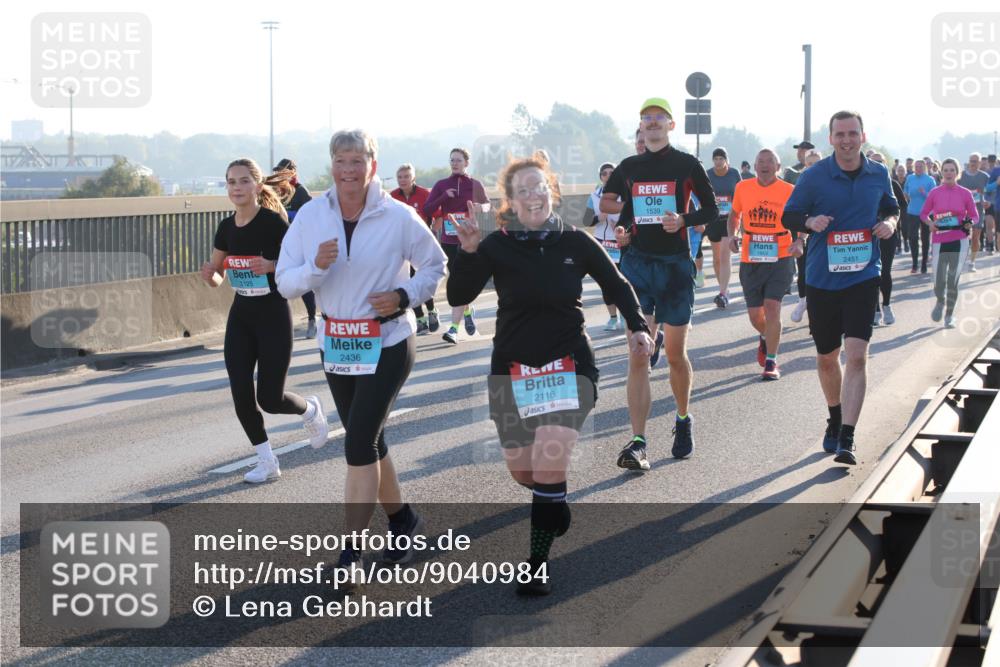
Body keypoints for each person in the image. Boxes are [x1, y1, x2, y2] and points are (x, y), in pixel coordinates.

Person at [448, 156, 652, 595]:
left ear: (552, 191)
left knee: (548, 460)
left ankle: (536, 565)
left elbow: (617, 284)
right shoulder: (495, 245)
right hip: (512, 369)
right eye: (522, 190)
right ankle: (553, 502)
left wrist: (637, 326)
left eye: (539, 187)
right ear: (510, 200)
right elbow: (458, 294)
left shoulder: (576, 241)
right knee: (525, 472)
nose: (532, 196)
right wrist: (467, 253)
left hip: (568, 365)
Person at [276, 130, 447, 574]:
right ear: (331, 165)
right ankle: (403, 520)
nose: (348, 170)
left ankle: (351, 552)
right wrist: (315, 268)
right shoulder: (311, 215)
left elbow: (435, 265)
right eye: (341, 161)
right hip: (336, 343)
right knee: (369, 439)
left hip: (388, 340)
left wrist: (404, 295)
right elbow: (284, 281)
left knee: (358, 443)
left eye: (357, 161)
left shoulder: (399, 216)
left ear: (373, 165)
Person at [600, 97, 718, 469]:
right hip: (637, 265)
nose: (652, 123)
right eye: (646, 118)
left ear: (670, 125)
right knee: (639, 353)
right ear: (641, 126)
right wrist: (625, 226)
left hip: (675, 268)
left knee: (674, 356)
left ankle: (682, 418)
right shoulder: (629, 166)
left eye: (658, 118)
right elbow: (609, 203)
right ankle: (638, 442)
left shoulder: (686, 164)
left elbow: (712, 209)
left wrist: (683, 220)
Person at [201, 158, 329, 484]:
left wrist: (271, 265)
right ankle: (267, 461)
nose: (237, 187)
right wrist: (211, 275)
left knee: (270, 399)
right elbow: (218, 276)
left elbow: (301, 263)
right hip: (241, 316)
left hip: (273, 314)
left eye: (244, 181)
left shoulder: (274, 223)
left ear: (257, 186)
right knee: (241, 394)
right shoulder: (226, 228)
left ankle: (310, 410)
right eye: (231, 182)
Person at [781, 110, 899, 466]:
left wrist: (890, 224)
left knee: (857, 355)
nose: (847, 140)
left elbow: (892, 208)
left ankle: (847, 436)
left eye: (852, 133)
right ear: (831, 138)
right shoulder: (814, 176)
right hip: (822, 279)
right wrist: (809, 221)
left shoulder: (878, 173)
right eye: (840, 134)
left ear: (863, 136)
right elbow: (789, 215)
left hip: (863, 276)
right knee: (827, 357)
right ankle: (834, 417)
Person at [725, 148, 797, 380]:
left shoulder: (789, 190)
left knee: (772, 306)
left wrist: (800, 240)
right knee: (755, 316)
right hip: (751, 257)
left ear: (778, 167)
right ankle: (766, 336)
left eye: (770, 161)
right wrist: (732, 235)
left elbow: (800, 218)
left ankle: (771, 362)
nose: (765, 165)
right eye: (761, 161)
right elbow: (734, 215)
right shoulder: (742, 187)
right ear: (755, 166)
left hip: (781, 255)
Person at [423, 148, 491, 344]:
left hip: (468, 241)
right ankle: (467, 311)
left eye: (458, 160)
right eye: (452, 160)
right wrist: (444, 197)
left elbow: (488, 205)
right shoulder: (441, 184)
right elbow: (428, 209)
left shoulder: (475, 184)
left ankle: (453, 329)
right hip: (449, 240)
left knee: (462, 281)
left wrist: (480, 207)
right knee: (457, 280)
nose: (454, 163)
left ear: (466, 163)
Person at [920, 158, 979, 328]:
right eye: (945, 170)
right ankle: (940, 300)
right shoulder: (934, 193)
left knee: (953, 280)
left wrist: (970, 222)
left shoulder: (965, 193)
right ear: (941, 173)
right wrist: (930, 223)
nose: (948, 173)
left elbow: (974, 216)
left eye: (952, 170)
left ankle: (949, 316)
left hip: (959, 240)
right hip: (939, 240)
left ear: (957, 173)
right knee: (939, 282)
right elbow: (924, 214)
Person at [390, 163, 441, 334]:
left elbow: (438, 216)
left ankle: (432, 310)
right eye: (400, 177)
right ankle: (420, 319)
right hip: (402, 246)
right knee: (409, 281)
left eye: (406, 176)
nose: (403, 180)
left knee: (423, 279)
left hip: (422, 244)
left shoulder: (425, 194)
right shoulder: (392, 197)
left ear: (413, 178)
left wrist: (433, 234)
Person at [272, 158, 318, 338]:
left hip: (299, 244)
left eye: (282, 171)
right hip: (280, 243)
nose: (279, 175)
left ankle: (312, 319)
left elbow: (309, 218)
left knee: (303, 283)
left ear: (292, 172)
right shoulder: (276, 192)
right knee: (278, 281)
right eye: (278, 171)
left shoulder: (301, 192)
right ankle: (279, 323)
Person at [584, 162, 625, 330]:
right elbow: (586, 220)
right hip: (601, 242)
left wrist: (621, 226)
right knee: (606, 281)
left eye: (611, 173)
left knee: (623, 280)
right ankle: (613, 318)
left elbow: (633, 216)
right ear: (600, 177)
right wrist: (597, 218)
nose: (608, 176)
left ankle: (625, 316)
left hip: (620, 241)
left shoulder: (625, 194)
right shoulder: (594, 196)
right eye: (604, 173)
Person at [705, 147, 741, 309]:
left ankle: (723, 292)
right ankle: (724, 289)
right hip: (713, 219)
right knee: (717, 258)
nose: (718, 162)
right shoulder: (708, 174)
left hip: (730, 219)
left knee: (725, 255)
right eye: (716, 159)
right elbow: (702, 195)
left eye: (721, 159)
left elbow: (741, 194)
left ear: (726, 160)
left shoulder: (734, 173)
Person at [790, 150, 823, 324]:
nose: (813, 167)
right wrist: (800, 239)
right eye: (810, 164)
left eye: (817, 163)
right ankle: (803, 300)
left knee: (820, 274)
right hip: (804, 235)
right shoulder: (801, 184)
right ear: (805, 165)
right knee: (803, 271)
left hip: (825, 237)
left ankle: (817, 313)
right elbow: (797, 214)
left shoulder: (830, 183)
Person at [869, 152, 902, 325]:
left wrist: (891, 223)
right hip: (868, 234)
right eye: (873, 162)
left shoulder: (892, 183)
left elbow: (900, 207)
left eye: (880, 162)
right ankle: (875, 310)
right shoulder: (864, 183)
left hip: (888, 233)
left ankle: (887, 305)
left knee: (885, 271)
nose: (877, 165)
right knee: (871, 273)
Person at [957, 152, 990, 272]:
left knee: (976, 236)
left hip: (978, 210)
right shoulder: (961, 176)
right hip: (963, 211)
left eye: (975, 161)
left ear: (980, 163)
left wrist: (988, 201)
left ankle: (972, 262)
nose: (973, 163)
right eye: (971, 161)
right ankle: (960, 259)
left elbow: (989, 192)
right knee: (963, 236)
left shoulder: (985, 177)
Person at [903, 159, 936, 274]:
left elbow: (934, 197)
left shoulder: (930, 180)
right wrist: (905, 194)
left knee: (925, 238)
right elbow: (905, 189)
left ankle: (924, 264)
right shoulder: (910, 178)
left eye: (920, 167)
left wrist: (924, 192)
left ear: (925, 167)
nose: (918, 169)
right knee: (912, 238)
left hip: (926, 213)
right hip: (912, 211)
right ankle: (914, 264)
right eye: (916, 167)